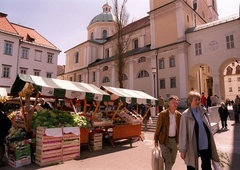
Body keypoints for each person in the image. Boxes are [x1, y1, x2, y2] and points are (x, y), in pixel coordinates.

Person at [179, 91, 219, 170]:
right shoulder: (185, 115)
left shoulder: (203, 111)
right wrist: (182, 150)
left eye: (199, 100)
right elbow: (183, 133)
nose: (198, 102)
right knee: (192, 166)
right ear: (190, 101)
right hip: (192, 145)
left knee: (207, 166)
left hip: (205, 144)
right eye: (195, 100)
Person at [154, 95, 181, 170]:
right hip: (164, 140)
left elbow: (180, 129)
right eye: (173, 103)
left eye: (176, 103)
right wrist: (156, 140)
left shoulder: (179, 115)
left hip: (174, 141)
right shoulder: (163, 114)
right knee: (168, 161)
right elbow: (158, 127)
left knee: (172, 160)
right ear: (168, 103)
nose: (175, 104)